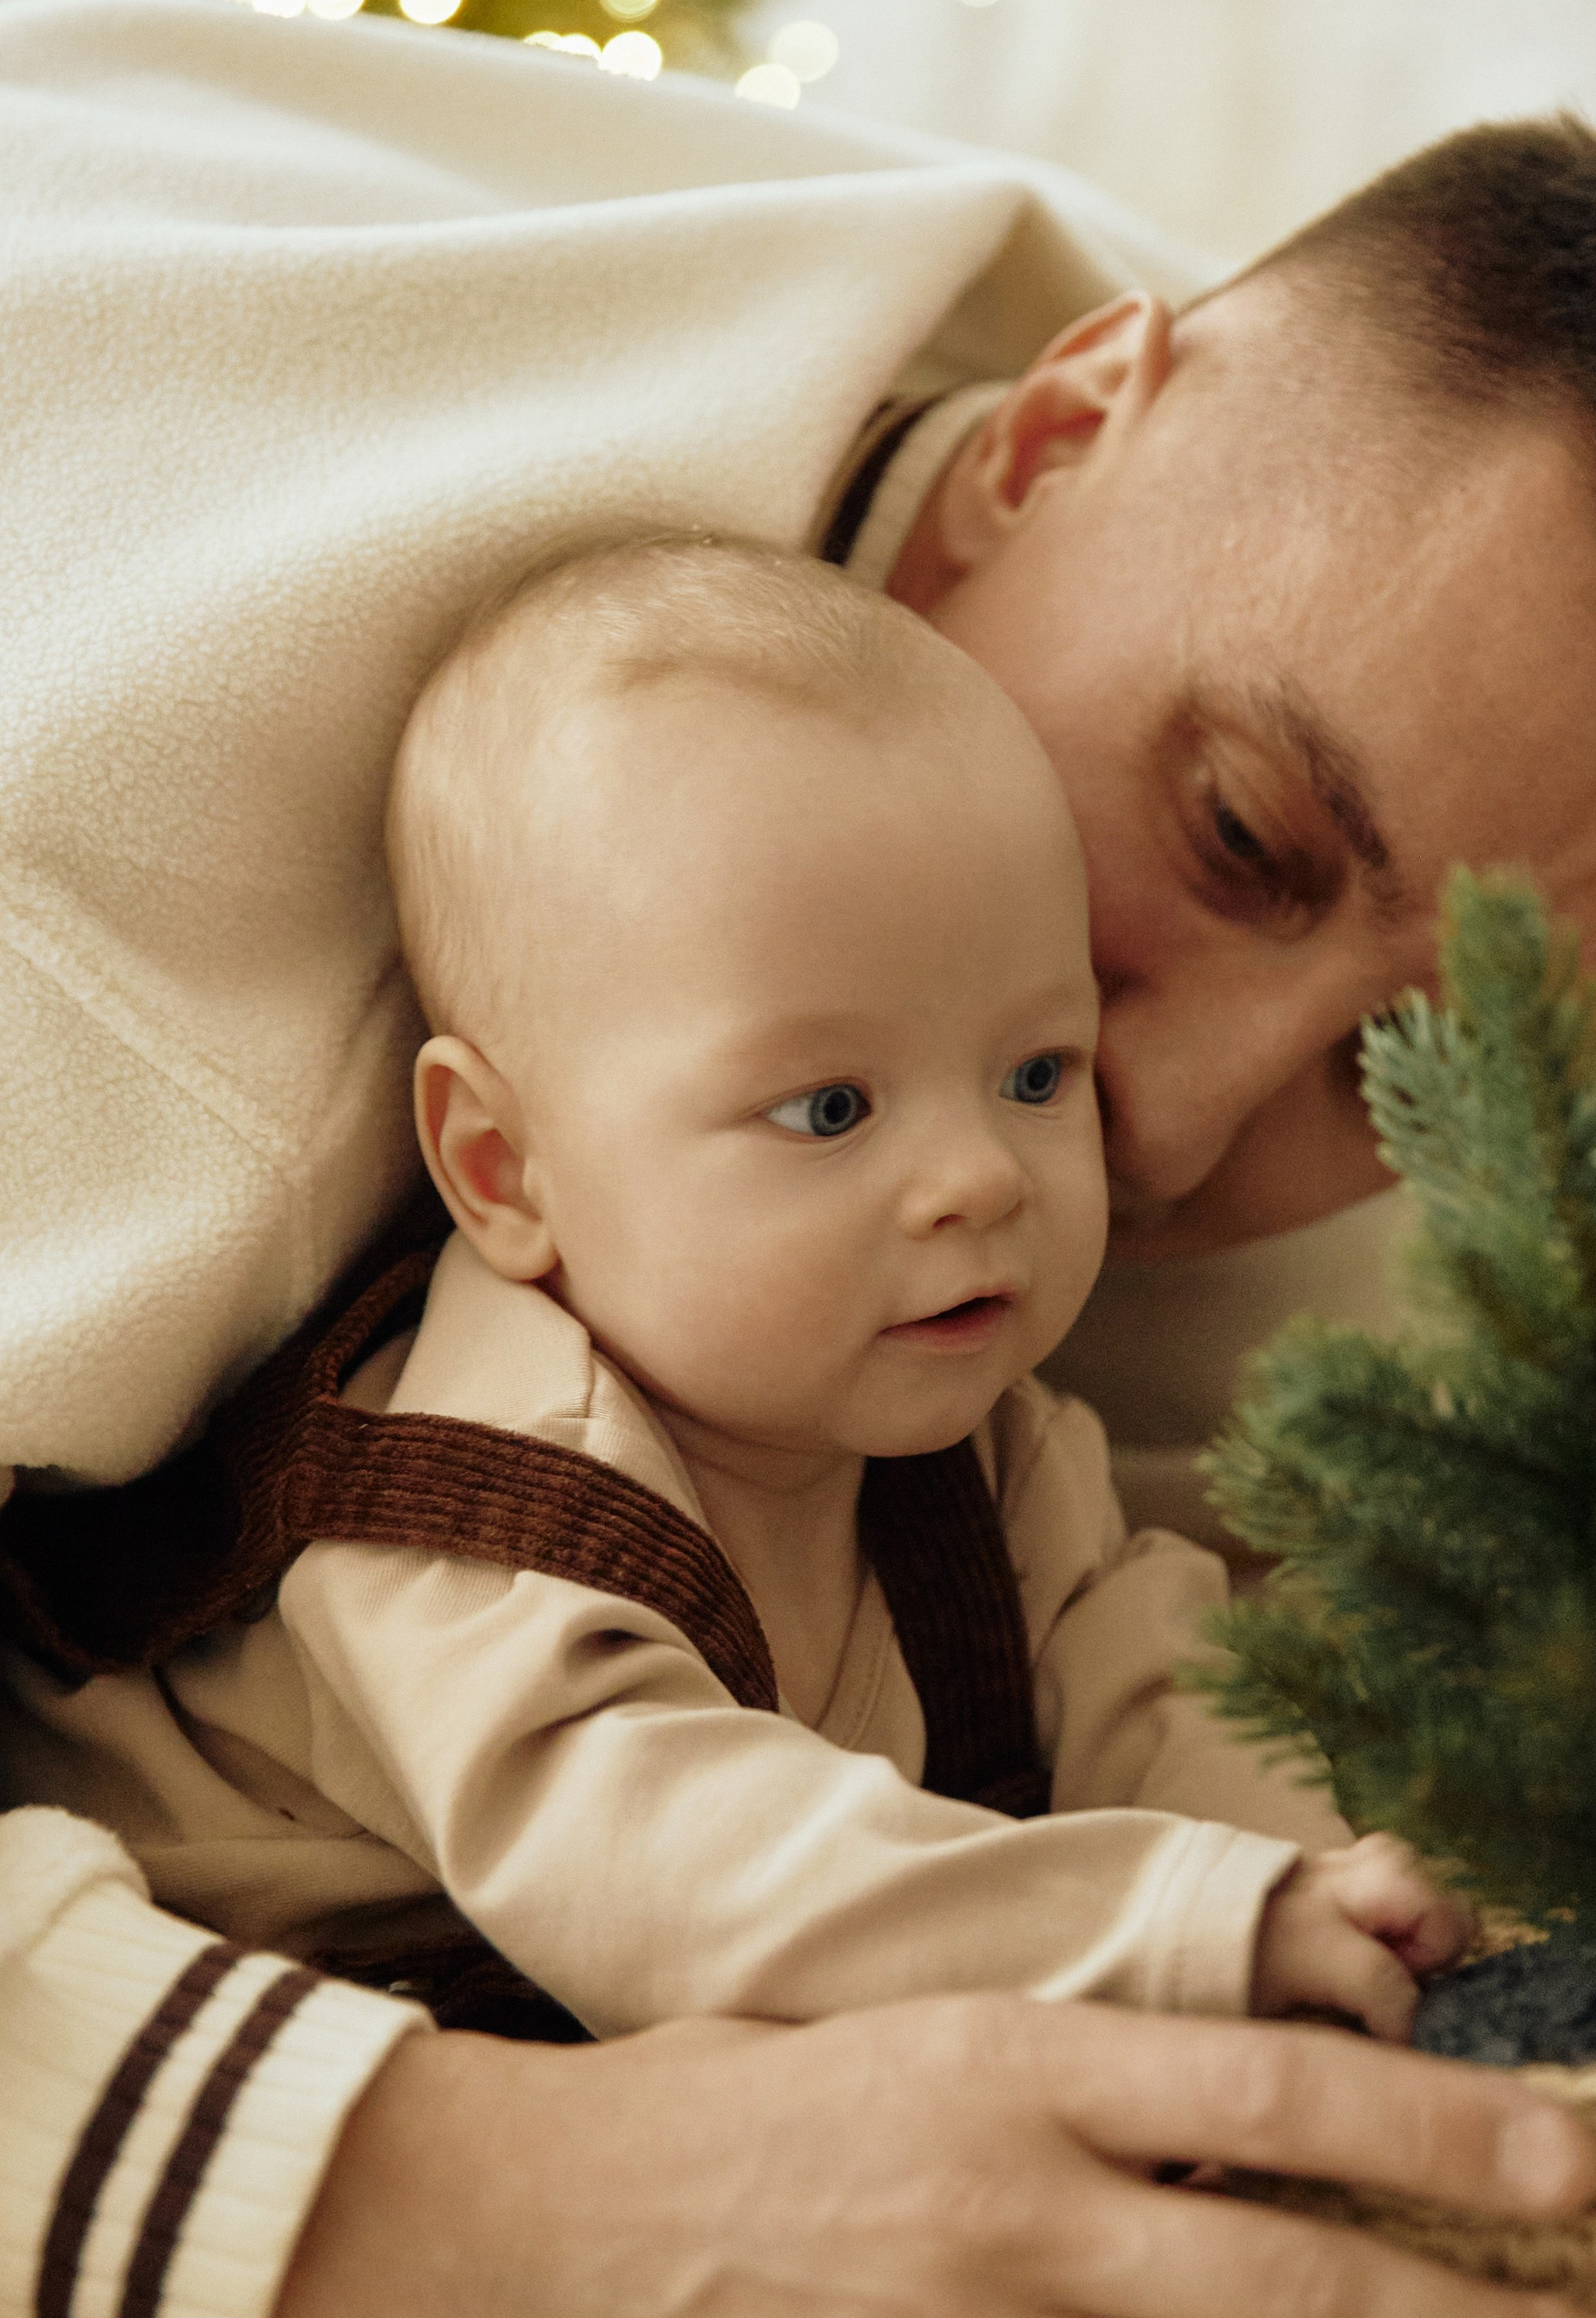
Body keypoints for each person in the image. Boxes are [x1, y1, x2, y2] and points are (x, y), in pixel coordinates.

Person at [3, 0, 1596, 2318]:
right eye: (1234, 834)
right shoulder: (130, 903)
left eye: (1404, 1076)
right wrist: (439, 2232)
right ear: (1065, 421)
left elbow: (1449, 1521)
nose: (1177, 1124)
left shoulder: (1303, 631)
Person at [14, 536, 1462, 2041]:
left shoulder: (991, 1448)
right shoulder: (482, 1521)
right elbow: (698, 1882)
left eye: (1037, 1071)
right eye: (830, 1108)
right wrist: (1173, 1925)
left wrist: (1307, 1893)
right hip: (224, 2008)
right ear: (507, 1173)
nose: (983, 1177)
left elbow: (1155, 1692)